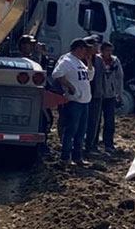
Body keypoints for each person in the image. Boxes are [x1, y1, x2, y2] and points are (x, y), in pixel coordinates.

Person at [52, 38, 93, 166]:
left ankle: (77, 157)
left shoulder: (79, 62)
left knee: (81, 131)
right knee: (71, 130)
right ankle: (65, 157)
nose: (86, 51)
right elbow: (56, 74)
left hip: (84, 101)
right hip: (74, 101)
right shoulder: (67, 60)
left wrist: (89, 62)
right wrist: (71, 87)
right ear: (78, 48)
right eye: (84, 49)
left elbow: (89, 77)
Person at [18, 35, 52, 154]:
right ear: (23, 45)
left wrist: (43, 54)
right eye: (30, 44)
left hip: (37, 95)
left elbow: (44, 69)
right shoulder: (18, 59)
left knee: (46, 119)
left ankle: (42, 144)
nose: (32, 47)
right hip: (23, 96)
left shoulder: (35, 59)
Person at [98, 41, 124, 153]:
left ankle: (109, 144)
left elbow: (119, 77)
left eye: (110, 51)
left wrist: (119, 93)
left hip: (111, 95)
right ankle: (94, 143)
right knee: (96, 120)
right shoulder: (97, 60)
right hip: (98, 94)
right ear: (102, 50)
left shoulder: (115, 61)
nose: (109, 53)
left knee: (109, 121)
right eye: (107, 50)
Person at [83, 35, 107, 154]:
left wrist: (103, 91)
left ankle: (91, 146)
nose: (96, 47)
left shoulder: (99, 60)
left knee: (94, 122)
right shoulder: (81, 59)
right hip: (83, 95)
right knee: (81, 122)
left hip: (96, 95)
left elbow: (103, 77)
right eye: (94, 45)